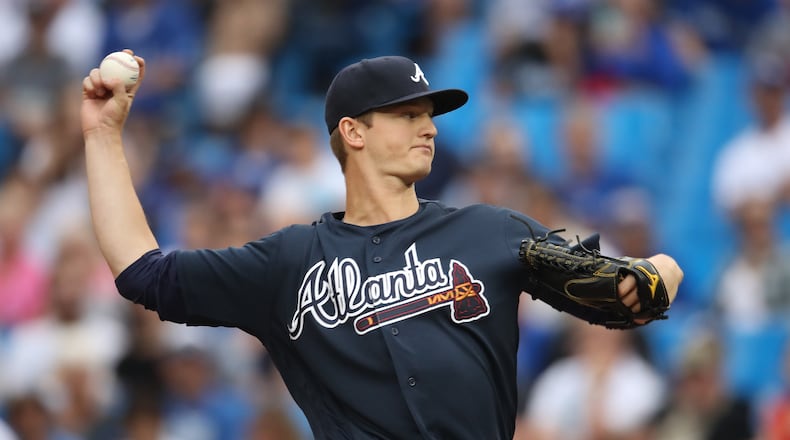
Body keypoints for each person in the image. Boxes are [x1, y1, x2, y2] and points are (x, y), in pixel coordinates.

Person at [81, 50, 684, 439]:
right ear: (354, 132)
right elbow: (143, 273)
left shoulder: (491, 230)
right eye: (407, 114)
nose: (429, 126)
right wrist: (104, 135)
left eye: (430, 114)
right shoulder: (291, 262)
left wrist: (659, 271)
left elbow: (632, 293)